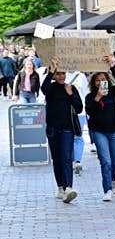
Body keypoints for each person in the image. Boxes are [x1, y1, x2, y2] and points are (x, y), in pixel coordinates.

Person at [84, 57, 115, 201]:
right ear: (93, 83)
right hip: (99, 131)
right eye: (97, 80)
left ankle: (114, 180)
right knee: (105, 161)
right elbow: (90, 111)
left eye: (103, 79)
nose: (101, 82)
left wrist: (112, 66)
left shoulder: (114, 93)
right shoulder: (90, 97)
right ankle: (107, 189)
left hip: (114, 131)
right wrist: (98, 97)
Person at [41, 60, 83, 203]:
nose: (61, 76)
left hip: (67, 129)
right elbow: (43, 88)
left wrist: (71, 94)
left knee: (66, 158)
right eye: (58, 74)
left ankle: (69, 188)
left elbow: (79, 109)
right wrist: (51, 70)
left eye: (63, 73)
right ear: (54, 75)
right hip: (52, 128)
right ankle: (60, 187)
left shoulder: (70, 87)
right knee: (57, 159)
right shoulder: (51, 88)